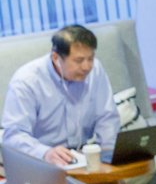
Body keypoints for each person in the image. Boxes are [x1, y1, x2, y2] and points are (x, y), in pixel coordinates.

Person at [2, 24, 115, 164]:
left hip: (81, 158)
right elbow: (13, 135)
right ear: (56, 58)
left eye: (90, 58)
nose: (87, 67)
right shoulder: (27, 81)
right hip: (41, 162)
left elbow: (107, 118)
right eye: (79, 61)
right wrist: (45, 153)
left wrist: (107, 156)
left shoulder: (95, 70)